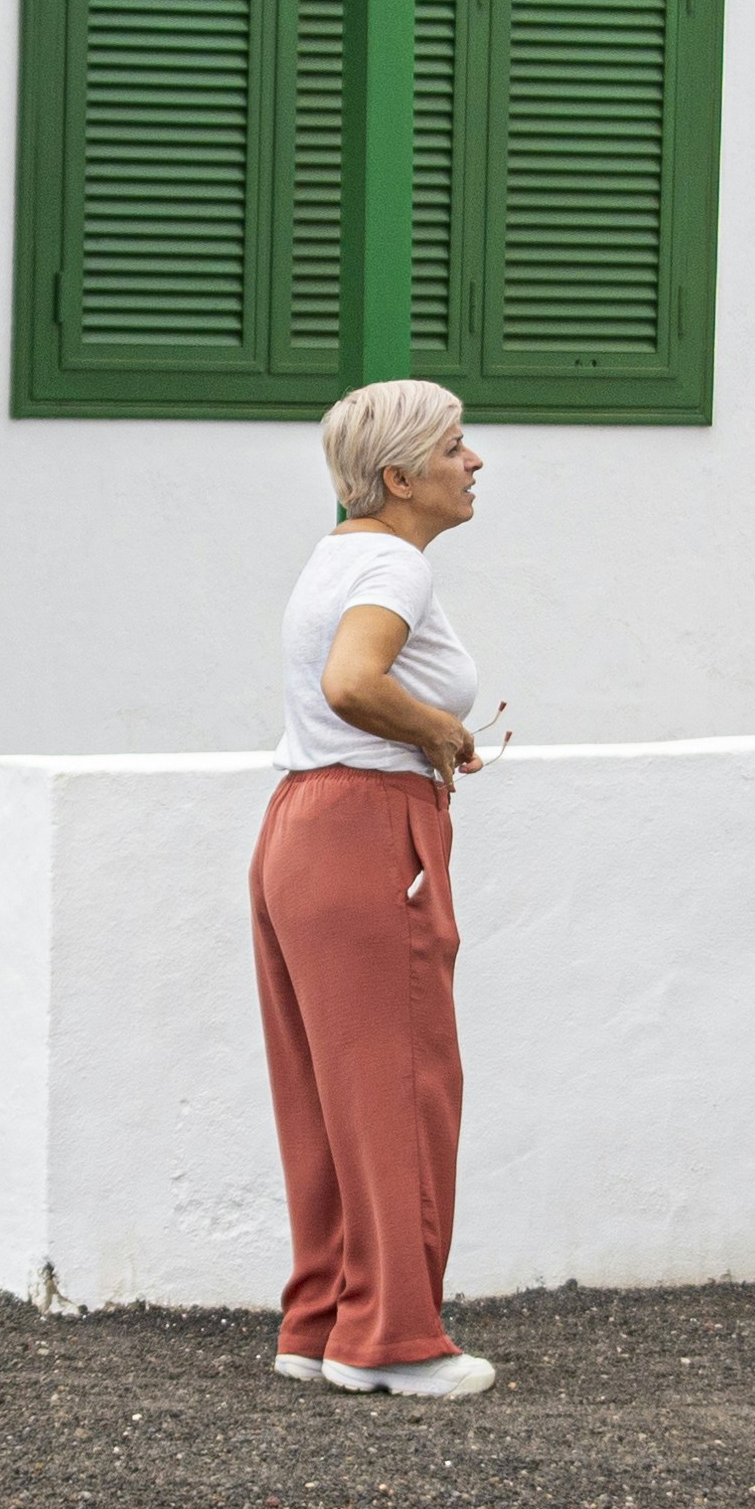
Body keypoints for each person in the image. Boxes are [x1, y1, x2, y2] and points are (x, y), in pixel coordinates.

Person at [252, 378, 498, 1400]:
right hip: (367, 834)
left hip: (299, 827)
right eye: (454, 447)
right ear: (399, 477)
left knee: (325, 1096)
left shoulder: (336, 557)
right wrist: (442, 732)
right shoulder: (395, 565)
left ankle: (320, 1323)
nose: (473, 462)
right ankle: (393, 1340)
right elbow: (354, 682)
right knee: (402, 1089)